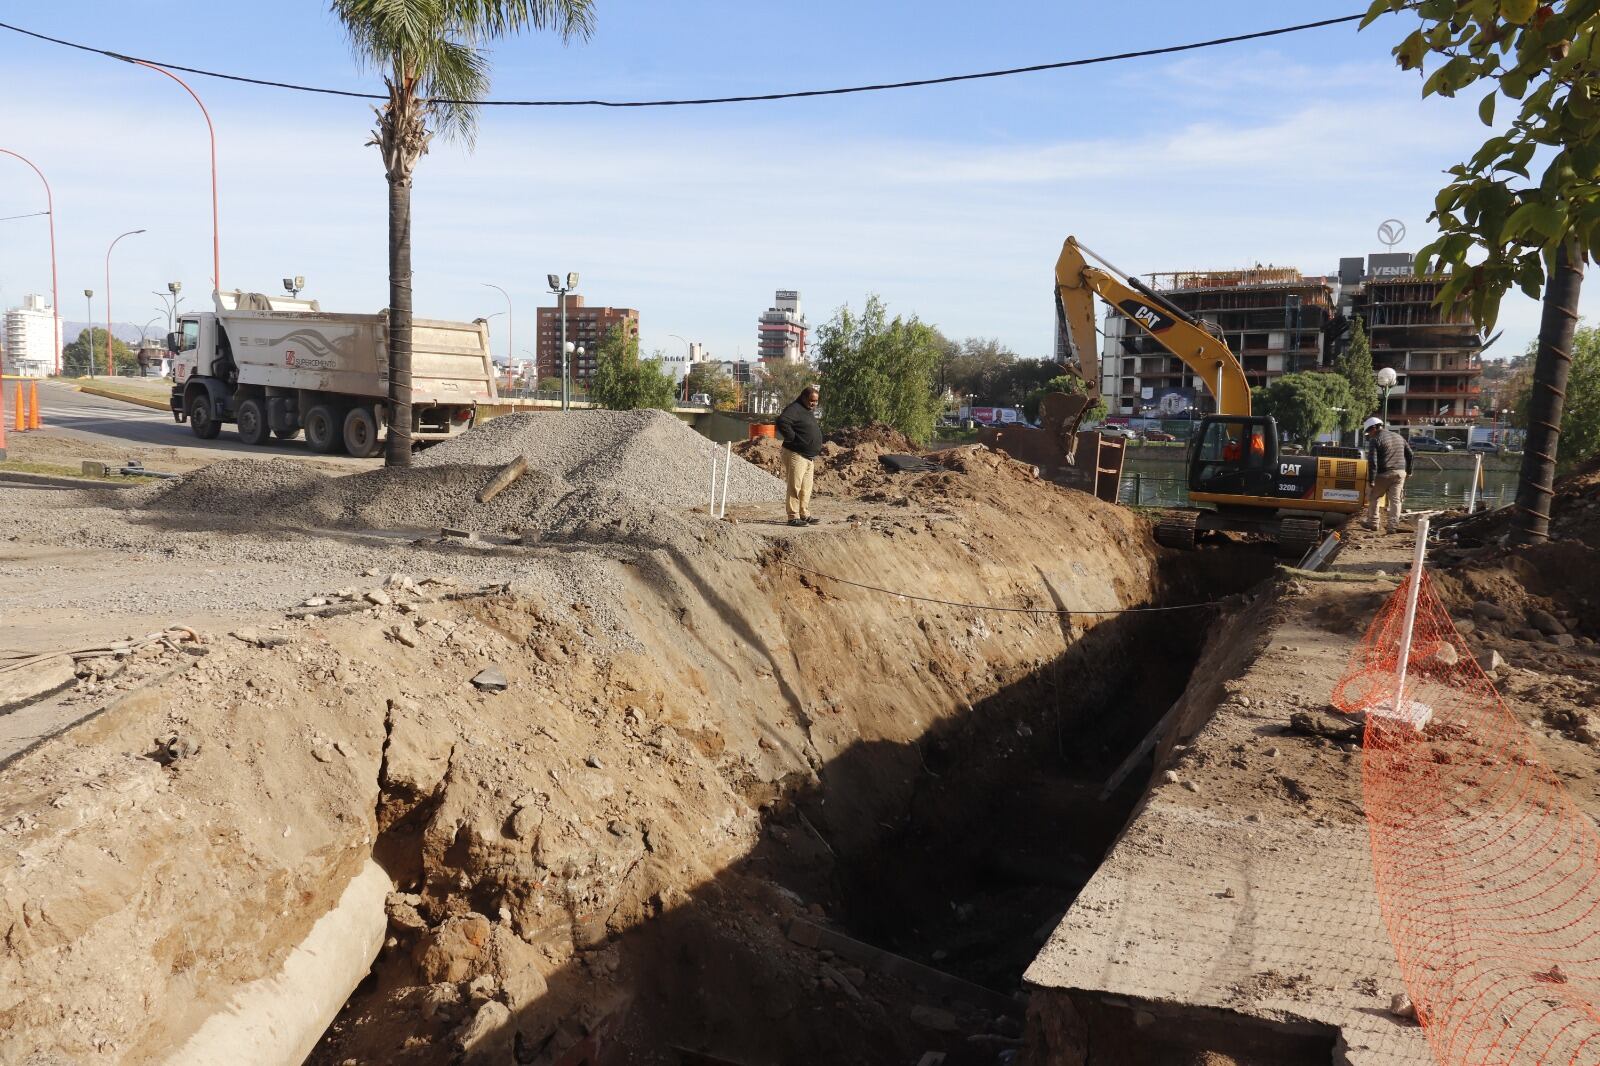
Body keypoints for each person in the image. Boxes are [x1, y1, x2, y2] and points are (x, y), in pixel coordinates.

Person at [776, 385, 822, 527]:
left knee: (806, 487)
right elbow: (782, 421)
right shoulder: (794, 408)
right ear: (803, 397)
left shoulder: (806, 410)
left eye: (816, 401)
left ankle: (804, 513)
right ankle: (793, 516)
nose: (813, 404)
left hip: (808, 457)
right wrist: (792, 437)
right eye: (811, 400)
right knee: (794, 486)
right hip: (796, 454)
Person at [1362, 416, 1414, 534]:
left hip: (1384, 473)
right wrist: (1409, 471)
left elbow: (1372, 461)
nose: (1369, 435)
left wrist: (1371, 480)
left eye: (1369, 432)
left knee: (1373, 496)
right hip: (1400, 473)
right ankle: (1392, 527)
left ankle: (1373, 523)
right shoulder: (1399, 437)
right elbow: (1410, 454)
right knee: (1396, 500)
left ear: (1374, 428)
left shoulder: (1375, 439)